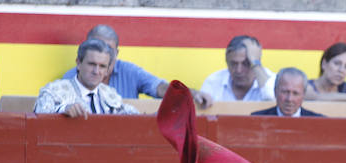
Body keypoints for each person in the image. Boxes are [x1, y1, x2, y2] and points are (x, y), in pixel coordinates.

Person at [62, 25, 211, 109]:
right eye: (95, 47)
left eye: (107, 49)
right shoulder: (69, 79)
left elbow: (160, 88)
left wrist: (188, 93)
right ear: (80, 60)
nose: (102, 53)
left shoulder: (129, 72)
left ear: (116, 53)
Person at [35, 38, 138, 117]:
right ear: (78, 63)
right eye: (91, 64)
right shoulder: (54, 91)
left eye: (102, 66)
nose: (96, 71)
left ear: (107, 70)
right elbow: (39, 116)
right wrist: (62, 110)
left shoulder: (110, 95)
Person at [199, 35, 275, 103]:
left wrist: (255, 62)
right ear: (227, 61)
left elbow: (273, 100)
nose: (239, 70)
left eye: (246, 64)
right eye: (234, 64)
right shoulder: (214, 81)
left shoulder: (271, 80)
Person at [251, 68, 323, 117]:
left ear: (303, 95)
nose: (289, 99)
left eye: (295, 93)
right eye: (285, 92)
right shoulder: (257, 119)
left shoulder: (319, 122)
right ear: (275, 92)